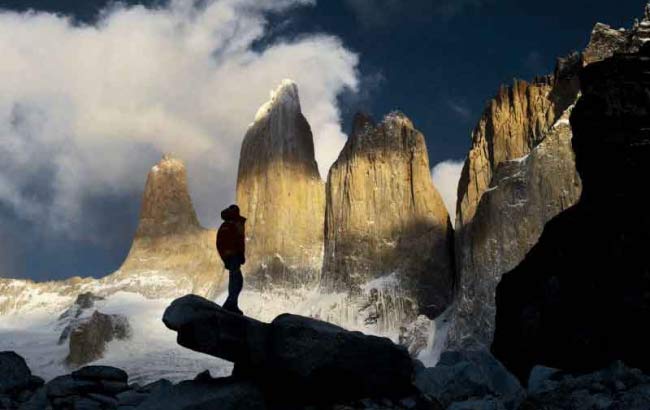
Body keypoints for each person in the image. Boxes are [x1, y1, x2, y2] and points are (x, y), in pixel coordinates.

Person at [216, 204, 246, 314]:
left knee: (237, 280)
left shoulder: (227, 225)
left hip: (232, 256)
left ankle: (232, 304)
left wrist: (226, 257)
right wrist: (237, 254)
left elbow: (220, 244)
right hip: (234, 256)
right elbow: (238, 241)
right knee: (236, 281)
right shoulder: (233, 225)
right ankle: (230, 305)